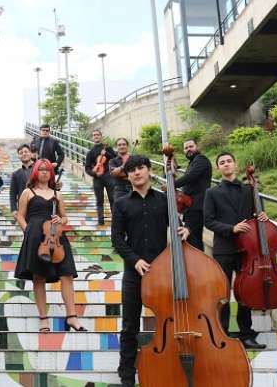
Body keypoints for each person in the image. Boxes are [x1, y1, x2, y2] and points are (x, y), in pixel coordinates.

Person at [111, 155, 190, 387]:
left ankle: (171, 366)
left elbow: (179, 227)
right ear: (128, 175)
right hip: (134, 272)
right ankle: (126, 375)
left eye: (141, 168)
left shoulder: (165, 200)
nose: (137, 173)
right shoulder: (121, 203)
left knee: (170, 320)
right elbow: (116, 238)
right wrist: (134, 260)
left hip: (163, 272)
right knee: (129, 326)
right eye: (132, 170)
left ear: (148, 170)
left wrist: (187, 230)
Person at [204, 152, 267, 349]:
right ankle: (222, 331)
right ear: (218, 168)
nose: (226, 164)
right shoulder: (211, 193)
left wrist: (262, 216)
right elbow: (209, 221)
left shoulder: (250, 190)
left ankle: (246, 333)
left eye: (228, 161)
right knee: (223, 293)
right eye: (221, 162)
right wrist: (232, 228)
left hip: (247, 251)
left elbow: (257, 217)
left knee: (244, 293)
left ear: (235, 164)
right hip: (224, 249)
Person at [14, 159, 83, 333]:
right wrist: (28, 231)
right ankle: (43, 319)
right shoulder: (27, 192)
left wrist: (61, 220)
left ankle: (72, 316)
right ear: (35, 172)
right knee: (39, 277)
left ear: (51, 173)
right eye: (41, 169)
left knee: (67, 274)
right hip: (35, 235)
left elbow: (65, 217)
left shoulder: (57, 194)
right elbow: (20, 216)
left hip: (57, 236)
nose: (44, 172)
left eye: (47, 170)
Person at [173, 139, 212, 251]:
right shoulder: (193, 162)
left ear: (197, 146)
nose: (188, 149)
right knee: (192, 239)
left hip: (197, 206)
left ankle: (198, 266)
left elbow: (191, 177)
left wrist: (172, 184)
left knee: (194, 240)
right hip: (192, 206)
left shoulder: (201, 159)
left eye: (191, 146)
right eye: (186, 148)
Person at [85, 129, 116, 225]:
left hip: (109, 176)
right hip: (97, 178)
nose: (96, 136)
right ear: (92, 137)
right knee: (99, 200)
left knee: (112, 199)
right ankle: (100, 220)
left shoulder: (107, 148)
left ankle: (115, 219)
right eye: (94, 135)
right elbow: (87, 168)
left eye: (98, 135)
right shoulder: (90, 152)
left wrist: (106, 153)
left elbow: (115, 158)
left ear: (101, 136)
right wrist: (94, 174)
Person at [9, 144, 34, 220]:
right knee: (27, 231)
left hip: (40, 206)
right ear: (19, 156)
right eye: (21, 153)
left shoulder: (40, 169)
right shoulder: (15, 174)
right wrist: (13, 209)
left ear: (31, 154)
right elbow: (12, 193)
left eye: (26, 151)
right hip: (24, 208)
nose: (24, 154)